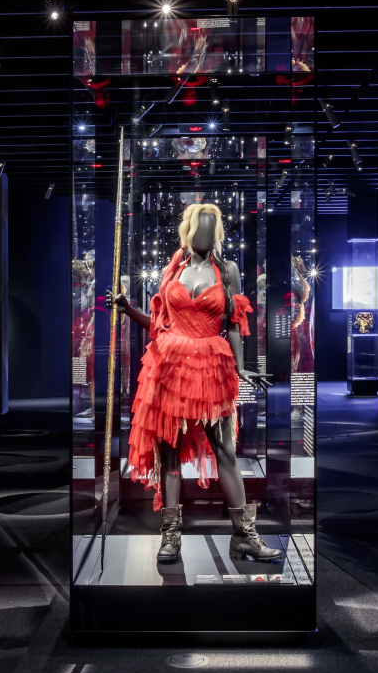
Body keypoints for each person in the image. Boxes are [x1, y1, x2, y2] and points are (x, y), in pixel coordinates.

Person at [115, 202, 281, 564]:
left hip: (212, 368)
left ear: (216, 232)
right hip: (169, 368)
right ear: (189, 230)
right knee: (170, 454)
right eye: (199, 226)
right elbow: (159, 325)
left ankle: (244, 536)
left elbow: (234, 324)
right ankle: (170, 535)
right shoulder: (173, 270)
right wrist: (128, 310)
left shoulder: (228, 270)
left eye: (211, 227)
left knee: (226, 452)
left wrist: (241, 367)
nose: (205, 233)